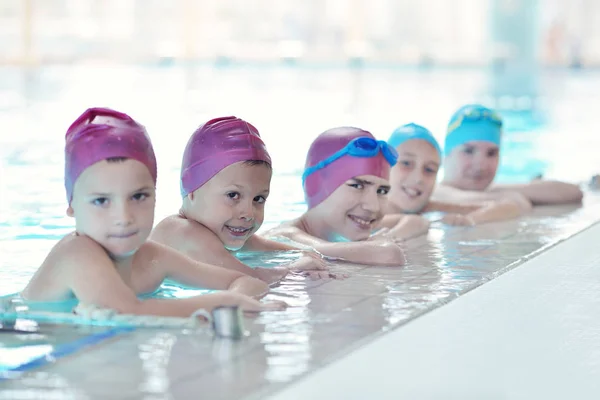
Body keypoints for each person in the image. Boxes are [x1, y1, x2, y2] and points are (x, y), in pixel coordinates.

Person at [22, 108, 285, 317]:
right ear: (71, 206)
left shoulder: (152, 258)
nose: (123, 217)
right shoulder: (76, 254)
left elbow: (247, 281)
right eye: (102, 201)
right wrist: (225, 302)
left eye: (138, 196)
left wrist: (237, 297)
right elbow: (127, 312)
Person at [151, 116, 335, 283]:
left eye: (258, 199)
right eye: (233, 195)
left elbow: (276, 249)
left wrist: (307, 255)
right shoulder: (183, 232)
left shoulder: (220, 230)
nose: (248, 213)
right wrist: (296, 269)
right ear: (191, 188)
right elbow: (249, 279)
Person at [265, 126, 423, 266]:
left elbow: (417, 221)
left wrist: (390, 236)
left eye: (381, 191)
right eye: (357, 186)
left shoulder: (345, 226)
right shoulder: (284, 236)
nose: (372, 206)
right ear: (315, 186)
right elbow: (389, 254)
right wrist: (376, 245)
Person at [382, 122, 531, 227]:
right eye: (406, 163)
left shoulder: (428, 208)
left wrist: (471, 220)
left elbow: (510, 207)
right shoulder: (367, 208)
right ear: (384, 166)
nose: (418, 178)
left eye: (429, 170)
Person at [433, 104, 584, 207]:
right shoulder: (432, 192)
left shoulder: (489, 190)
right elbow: (467, 201)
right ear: (445, 155)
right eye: (469, 151)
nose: (481, 164)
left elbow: (572, 192)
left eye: (492, 153)